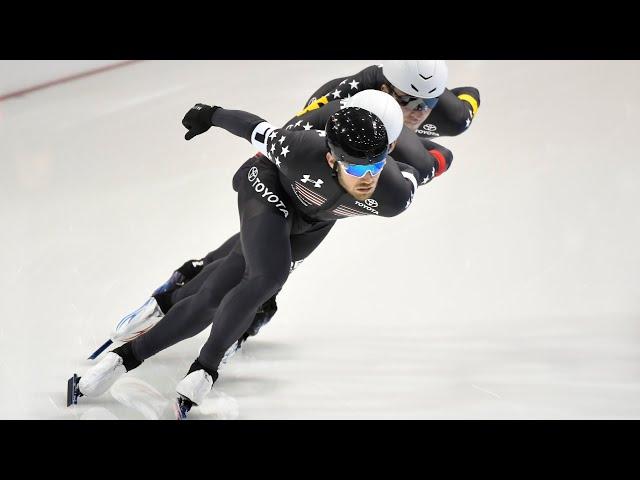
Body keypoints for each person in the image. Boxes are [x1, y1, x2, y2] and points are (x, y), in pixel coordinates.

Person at [69, 100, 438, 419]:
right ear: (331, 158)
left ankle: (156, 345)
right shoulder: (299, 148)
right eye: (356, 168)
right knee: (266, 277)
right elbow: (253, 128)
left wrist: (431, 160)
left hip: (312, 222)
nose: (366, 178)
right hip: (267, 186)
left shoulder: (393, 197)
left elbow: (437, 159)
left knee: (229, 286)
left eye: (374, 166)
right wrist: (210, 114)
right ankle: (172, 364)